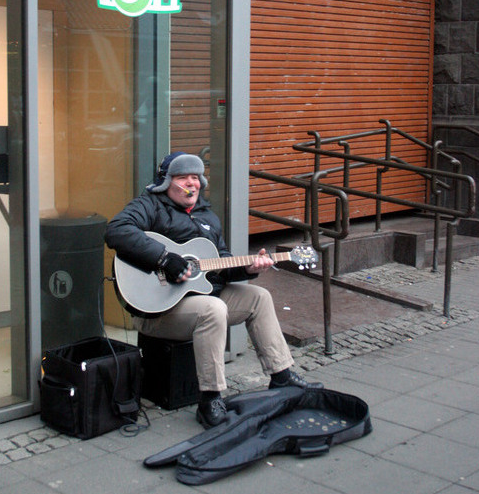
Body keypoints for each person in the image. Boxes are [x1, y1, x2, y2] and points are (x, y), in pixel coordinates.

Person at [105, 151, 322, 428]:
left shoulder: (207, 217)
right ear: (166, 182)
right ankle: (210, 398)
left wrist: (250, 269)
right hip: (157, 311)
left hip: (199, 299)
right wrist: (164, 259)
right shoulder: (149, 206)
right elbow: (116, 231)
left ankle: (282, 376)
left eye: (195, 178)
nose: (191, 184)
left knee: (259, 297)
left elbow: (223, 264)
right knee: (214, 309)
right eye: (183, 177)